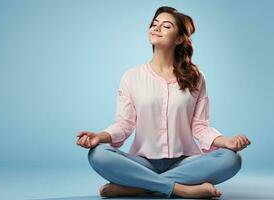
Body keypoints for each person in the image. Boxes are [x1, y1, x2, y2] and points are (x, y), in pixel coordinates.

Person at [75, 6, 251, 199]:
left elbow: (199, 127)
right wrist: (99, 137)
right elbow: (124, 124)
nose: (156, 28)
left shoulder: (196, 77)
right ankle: (180, 189)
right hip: (143, 162)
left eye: (166, 26)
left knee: (231, 159)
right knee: (98, 154)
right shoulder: (131, 77)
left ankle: (138, 186)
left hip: (186, 162)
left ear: (179, 39)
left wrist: (227, 141)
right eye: (154, 24)